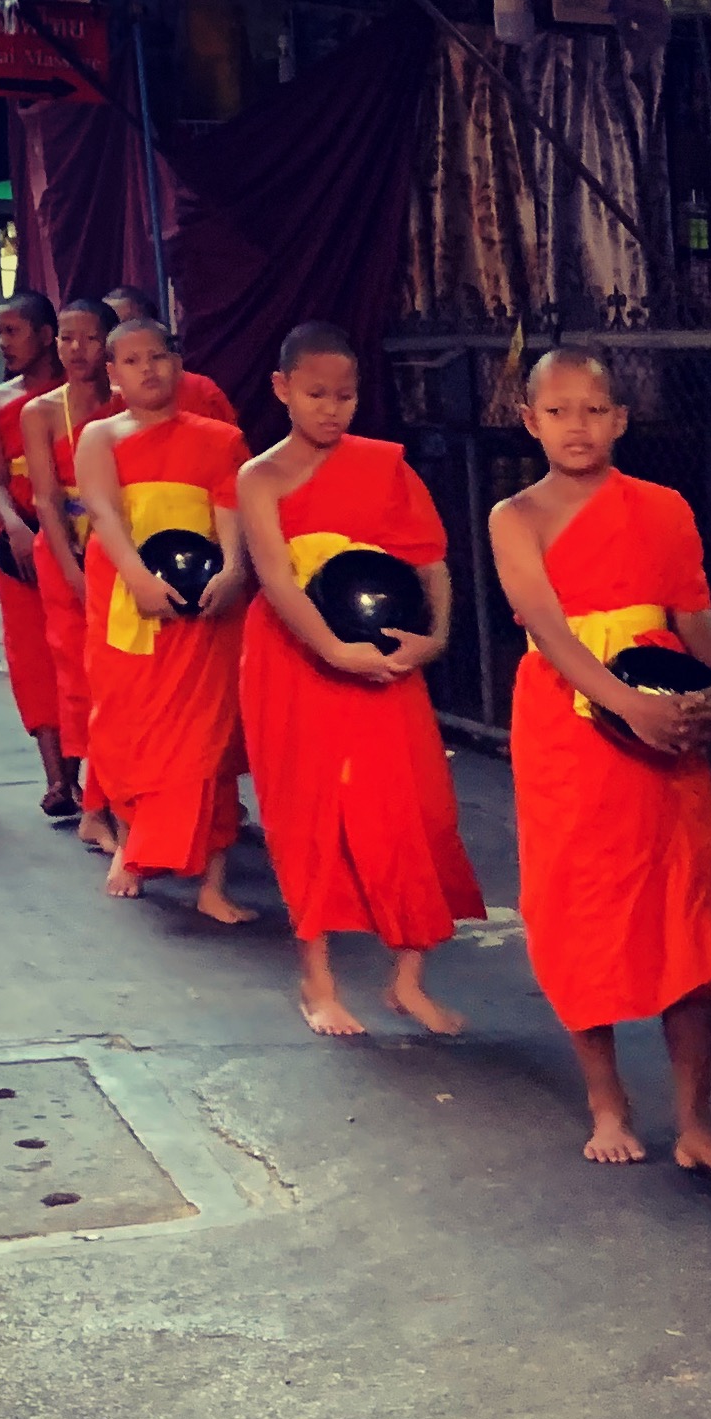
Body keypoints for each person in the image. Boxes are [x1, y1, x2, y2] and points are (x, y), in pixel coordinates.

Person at [487, 346, 711, 1168]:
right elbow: (546, 626)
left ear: (621, 420)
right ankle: (607, 1104)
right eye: (558, 410)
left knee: (682, 909)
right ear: (530, 421)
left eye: (594, 410)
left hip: (664, 713)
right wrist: (621, 703)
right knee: (579, 906)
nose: (577, 426)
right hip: (569, 722)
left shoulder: (661, 507)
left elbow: (692, 611)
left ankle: (696, 1121)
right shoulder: (515, 517)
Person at [235, 322, 483, 1035]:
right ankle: (317, 980)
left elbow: (430, 561)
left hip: (384, 660)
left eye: (344, 396)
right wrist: (333, 651)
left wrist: (435, 638)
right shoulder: (259, 477)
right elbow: (276, 578)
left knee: (412, 808)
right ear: (282, 389)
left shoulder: (383, 466)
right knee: (310, 814)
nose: (331, 409)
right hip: (295, 660)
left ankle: (407, 979)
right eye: (316, 394)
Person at [74, 318, 256, 916]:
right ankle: (132, 846)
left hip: (205, 607)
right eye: (132, 361)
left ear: (178, 363)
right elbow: (104, 512)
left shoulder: (219, 438)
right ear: (113, 374)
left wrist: (233, 571)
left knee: (209, 738)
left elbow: (229, 513)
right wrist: (137, 579)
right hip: (128, 598)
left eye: (157, 356)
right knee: (130, 729)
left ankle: (212, 885)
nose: (147, 369)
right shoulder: (100, 436)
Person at [20, 299, 124, 857]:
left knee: (123, 676)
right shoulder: (40, 412)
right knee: (80, 679)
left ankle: (123, 798)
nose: (76, 349)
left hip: (125, 549)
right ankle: (95, 808)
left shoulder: (129, 404)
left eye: (89, 337)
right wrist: (72, 572)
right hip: (66, 553)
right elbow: (45, 500)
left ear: (110, 342)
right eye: (65, 338)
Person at [0, 289, 78, 820]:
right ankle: (58, 779)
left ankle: (96, 776)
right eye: (0, 333)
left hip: (77, 530)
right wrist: (15, 527)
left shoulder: (79, 394)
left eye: (13, 331)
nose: (3, 343)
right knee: (33, 653)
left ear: (45, 335)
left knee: (77, 649)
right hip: (18, 536)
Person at [104, 289, 237, 426]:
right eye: (110, 326)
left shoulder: (199, 389)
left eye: (129, 324)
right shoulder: (104, 407)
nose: (124, 333)